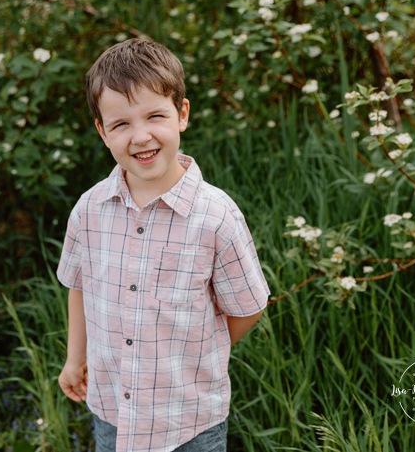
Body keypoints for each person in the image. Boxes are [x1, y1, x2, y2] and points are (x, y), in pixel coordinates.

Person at [57, 37, 270, 452]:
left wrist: (196, 347)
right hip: (113, 412)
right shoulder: (89, 211)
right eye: (120, 124)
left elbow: (249, 307)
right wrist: (74, 357)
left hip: (190, 421)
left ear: (181, 115)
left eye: (155, 115)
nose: (140, 137)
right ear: (102, 131)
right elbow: (79, 286)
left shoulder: (216, 217)